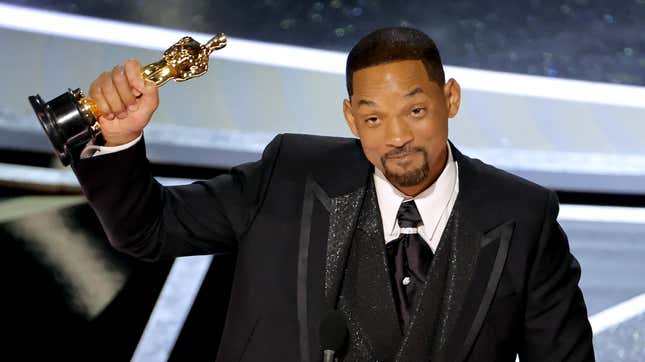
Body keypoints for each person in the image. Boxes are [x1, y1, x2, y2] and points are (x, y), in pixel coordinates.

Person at [72, 27, 594, 361]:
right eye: (373, 117)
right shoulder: (289, 176)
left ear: (449, 99)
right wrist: (119, 142)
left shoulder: (524, 216)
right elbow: (147, 230)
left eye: (415, 111)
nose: (397, 137)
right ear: (350, 118)